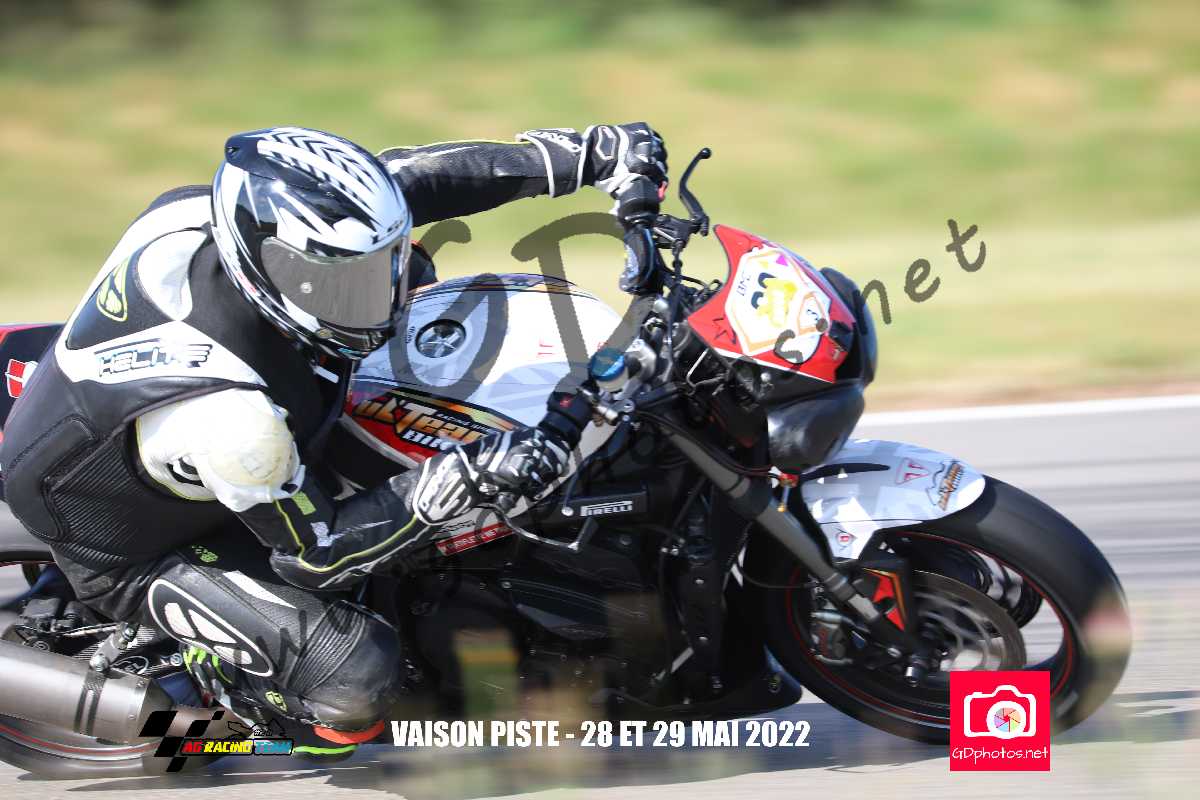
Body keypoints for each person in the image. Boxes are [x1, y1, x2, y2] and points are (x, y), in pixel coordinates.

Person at [0, 124, 667, 753]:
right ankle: (223, 709)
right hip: (130, 538)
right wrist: (462, 476)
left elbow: (410, 180)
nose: (381, 298)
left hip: (164, 434)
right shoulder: (234, 419)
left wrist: (586, 156)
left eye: (377, 270)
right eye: (349, 284)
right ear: (270, 270)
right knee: (358, 683)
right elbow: (316, 555)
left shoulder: (232, 220)